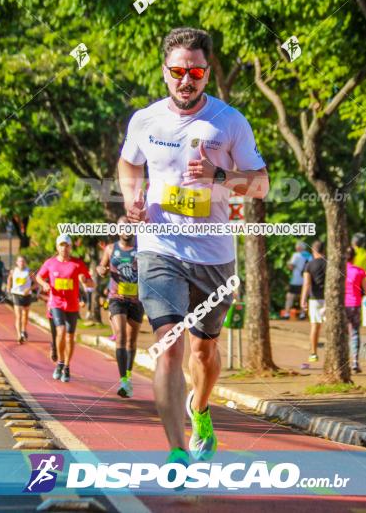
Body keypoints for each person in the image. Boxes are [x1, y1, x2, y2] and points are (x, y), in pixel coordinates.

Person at [119, 27, 269, 466]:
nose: (187, 80)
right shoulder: (145, 120)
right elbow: (130, 162)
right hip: (159, 247)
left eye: (197, 71)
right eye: (179, 71)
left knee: (204, 352)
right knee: (169, 343)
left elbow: (260, 184)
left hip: (213, 255)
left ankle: (200, 411)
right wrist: (132, 196)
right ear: (165, 71)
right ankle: (177, 451)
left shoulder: (229, 121)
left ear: (207, 74)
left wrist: (219, 177)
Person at [36, 234, 94, 383]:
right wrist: (44, 284)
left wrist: (86, 281)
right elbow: (38, 276)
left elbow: (90, 283)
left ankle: (67, 366)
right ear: (57, 247)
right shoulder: (50, 263)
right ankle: (60, 363)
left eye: (67, 245)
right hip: (56, 303)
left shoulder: (77, 264)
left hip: (72, 305)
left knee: (70, 337)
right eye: (61, 245)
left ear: (71, 247)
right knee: (60, 330)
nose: (64, 248)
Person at [97, 217, 143, 398]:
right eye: (123, 227)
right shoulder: (110, 249)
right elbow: (101, 266)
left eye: (129, 227)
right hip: (116, 298)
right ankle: (123, 379)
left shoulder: (141, 248)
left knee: (132, 341)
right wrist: (101, 270)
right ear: (118, 230)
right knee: (121, 335)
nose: (126, 230)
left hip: (137, 300)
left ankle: (128, 377)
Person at [344, 246, 366, 373]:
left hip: (342, 306)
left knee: (343, 334)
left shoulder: (338, 270)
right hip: (355, 305)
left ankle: (343, 361)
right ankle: (355, 362)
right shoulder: (360, 271)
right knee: (355, 333)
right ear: (354, 257)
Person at [299, 240, 326, 363]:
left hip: (314, 299)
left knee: (315, 326)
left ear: (313, 251)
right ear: (324, 250)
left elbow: (307, 284)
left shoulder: (309, 265)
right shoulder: (329, 264)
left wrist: (303, 299)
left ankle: (313, 353)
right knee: (331, 326)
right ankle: (332, 351)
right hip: (328, 299)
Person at [8, 256, 33, 344]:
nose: (21, 263)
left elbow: (37, 284)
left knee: (25, 316)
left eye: (23, 261)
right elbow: (9, 278)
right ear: (17, 263)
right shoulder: (13, 271)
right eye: (20, 261)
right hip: (16, 294)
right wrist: (8, 287)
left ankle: (23, 330)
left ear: (25, 262)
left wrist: (29, 289)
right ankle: (19, 335)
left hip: (26, 295)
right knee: (18, 316)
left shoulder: (29, 272)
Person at [285, 242, 312, 319]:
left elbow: (291, 266)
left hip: (296, 280)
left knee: (290, 296)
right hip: (305, 280)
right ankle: (302, 314)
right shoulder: (309, 255)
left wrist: (288, 263)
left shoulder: (296, 255)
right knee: (303, 297)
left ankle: (287, 314)